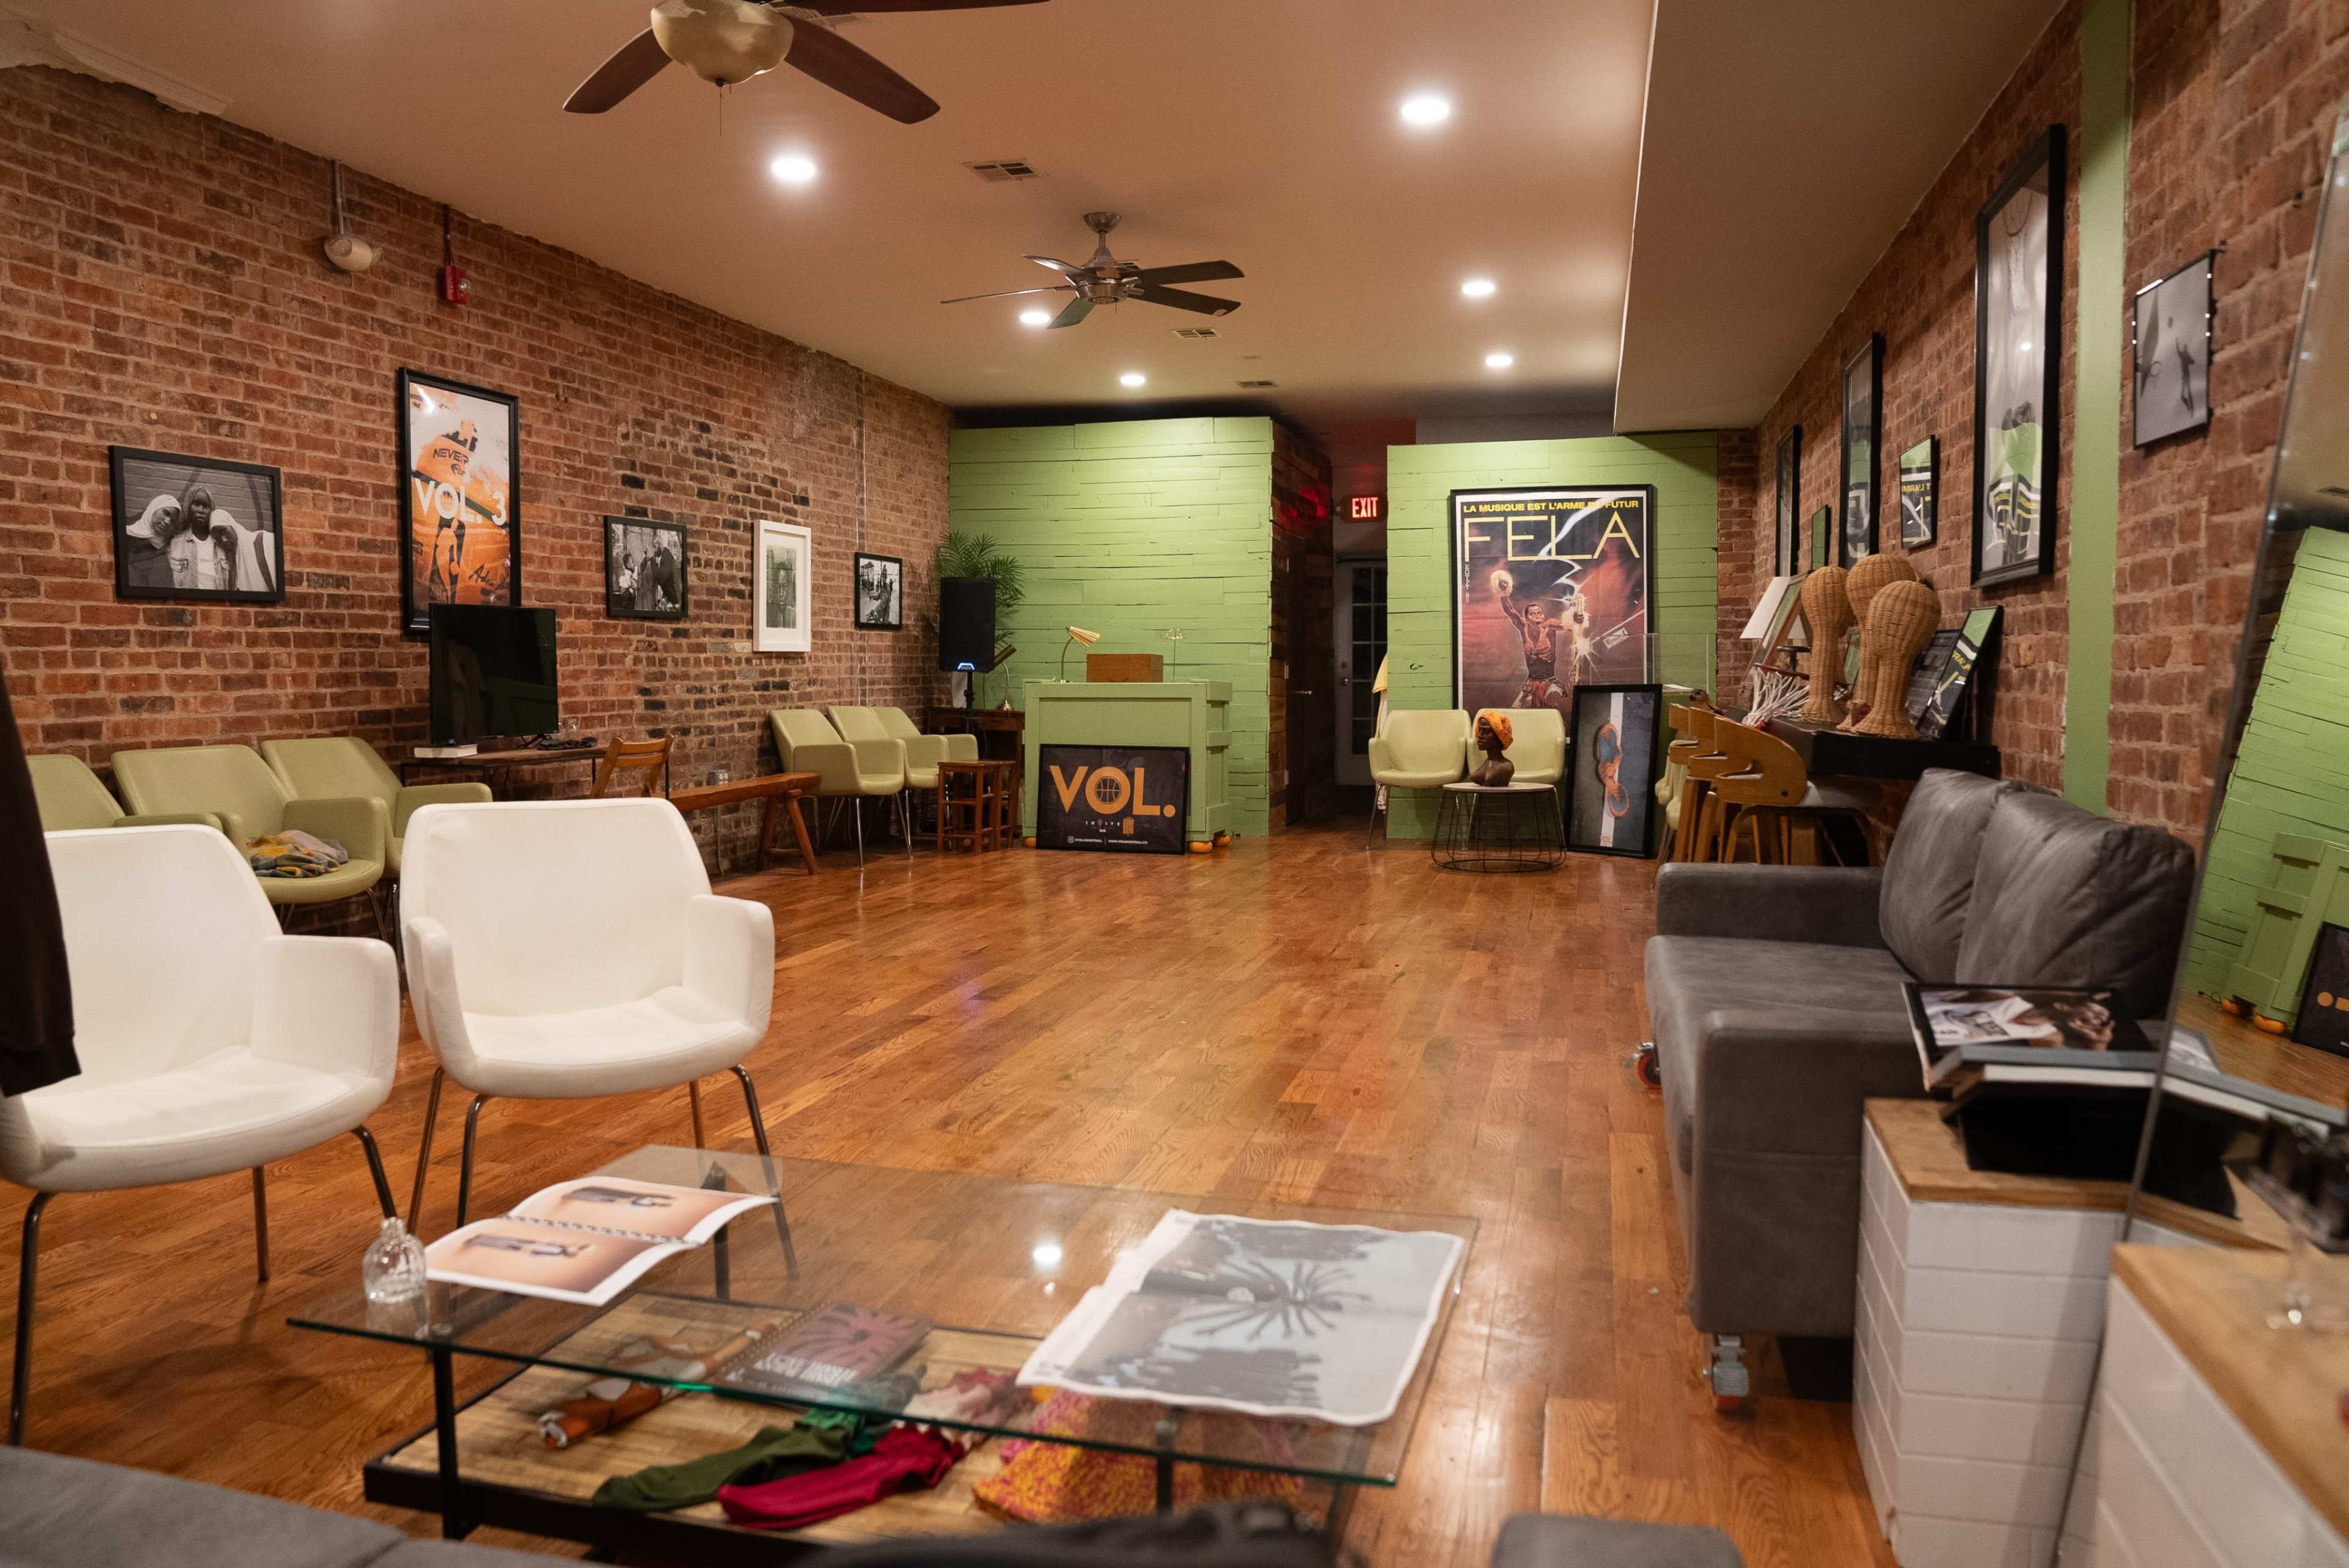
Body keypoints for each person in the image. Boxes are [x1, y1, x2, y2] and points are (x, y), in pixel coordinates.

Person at [124, 487, 275, 595]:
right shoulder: (175, 543)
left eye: (206, 506)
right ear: (188, 508)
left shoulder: (223, 545)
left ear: (212, 510)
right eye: (196, 504)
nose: (201, 509)